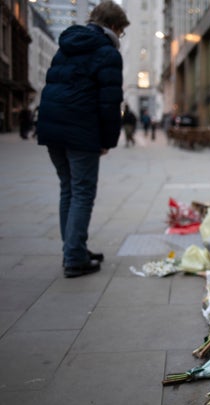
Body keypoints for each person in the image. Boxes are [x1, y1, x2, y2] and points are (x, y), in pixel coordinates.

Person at [37, 0, 130, 278]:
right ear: (114, 26)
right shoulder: (107, 52)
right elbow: (109, 103)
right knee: (82, 193)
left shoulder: (67, 46)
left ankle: (73, 248)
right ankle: (74, 256)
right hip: (81, 130)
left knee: (69, 190)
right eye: (121, 31)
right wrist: (107, 140)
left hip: (53, 128)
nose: (120, 37)